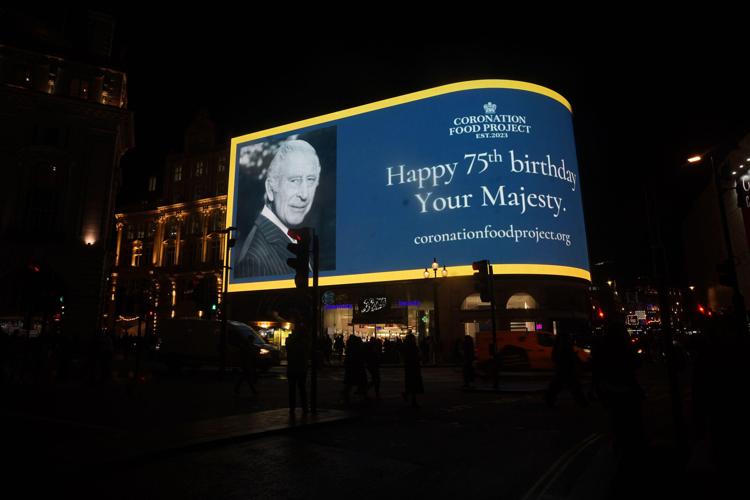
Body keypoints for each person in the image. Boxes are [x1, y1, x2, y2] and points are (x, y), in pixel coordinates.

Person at [236, 140, 321, 277]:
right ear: (270, 189)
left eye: (310, 180)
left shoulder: (292, 236)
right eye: (294, 180)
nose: (304, 195)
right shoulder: (255, 259)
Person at [545, 331, 588, 407]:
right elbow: (569, 356)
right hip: (567, 369)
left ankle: (549, 399)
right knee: (574, 386)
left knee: (557, 385)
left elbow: (554, 357)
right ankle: (582, 402)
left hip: (563, 369)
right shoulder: (566, 346)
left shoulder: (558, 346)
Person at [285, 329, 310, 416]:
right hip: (300, 369)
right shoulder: (303, 343)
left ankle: (293, 408)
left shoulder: (291, 342)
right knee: (301, 389)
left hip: (293, 368)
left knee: (293, 389)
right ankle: (303, 407)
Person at [401, 333, 424, 408]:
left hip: (409, 367)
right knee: (414, 384)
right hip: (414, 367)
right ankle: (413, 400)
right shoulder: (413, 347)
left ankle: (408, 395)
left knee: (410, 383)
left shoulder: (406, 347)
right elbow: (418, 356)